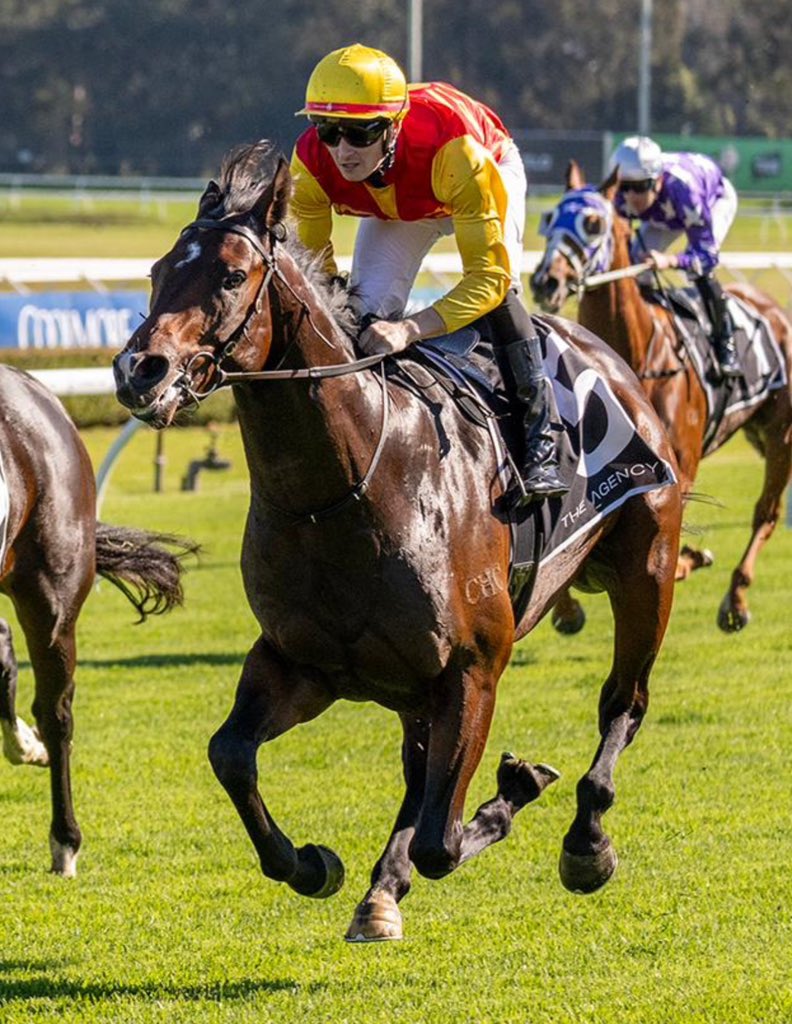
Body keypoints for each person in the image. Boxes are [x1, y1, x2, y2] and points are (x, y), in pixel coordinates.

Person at [289, 43, 567, 506]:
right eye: (327, 130)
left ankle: (542, 440)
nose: (341, 150)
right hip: (403, 198)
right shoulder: (310, 165)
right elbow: (318, 276)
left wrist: (410, 329)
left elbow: (489, 278)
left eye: (359, 133)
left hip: (480, 167)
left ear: (392, 126)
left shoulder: (457, 152)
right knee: (360, 314)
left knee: (504, 292)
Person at [609, 135, 740, 378]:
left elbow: (706, 255)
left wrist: (670, 261)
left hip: (711, 200)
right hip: (663, 210)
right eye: (623, 186)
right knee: (637, 261)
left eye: (638, 187)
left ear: (657, 181)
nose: (629, 197)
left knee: (697, 269)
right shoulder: (621, 196)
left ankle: (726, 344)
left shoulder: (685, 192)